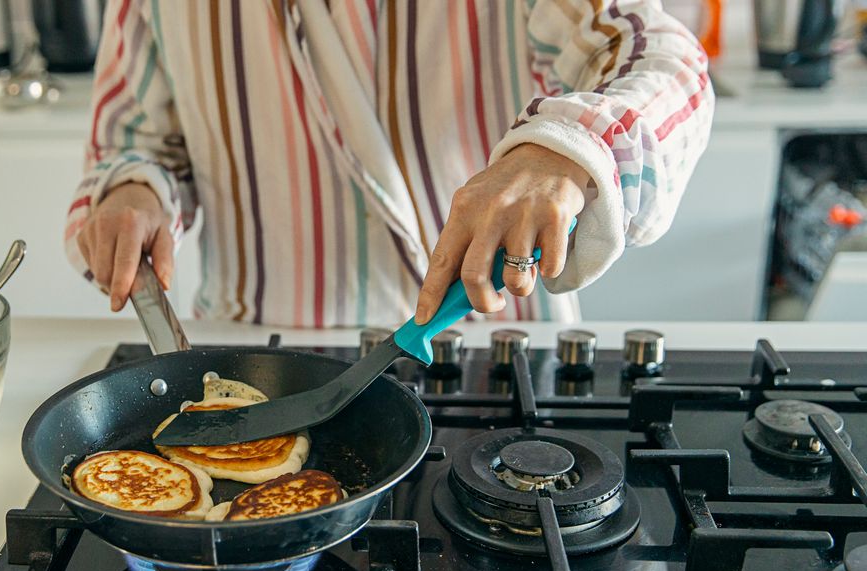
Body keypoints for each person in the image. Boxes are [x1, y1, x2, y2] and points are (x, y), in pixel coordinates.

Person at [65, 0, 713, 327]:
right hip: (259, 361)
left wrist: (563, 149)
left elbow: (662, 60)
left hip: (494, 346)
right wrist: (134, 193)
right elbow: (137, 141)